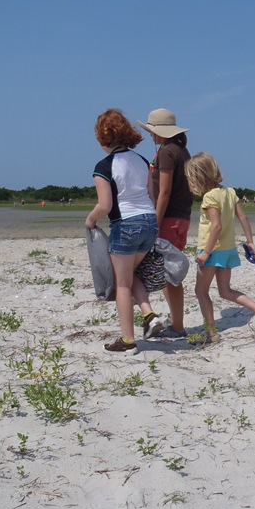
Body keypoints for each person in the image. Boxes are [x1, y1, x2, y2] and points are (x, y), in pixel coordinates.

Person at [86, 108, 164, 353]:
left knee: (121, 283)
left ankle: (128, 341)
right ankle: (149, 314)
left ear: (102, 137)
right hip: (149, 222)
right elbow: (152, 197)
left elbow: (105, 205)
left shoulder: (104, 166)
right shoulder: (141, 161)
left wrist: (90, 221)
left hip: (126, 225)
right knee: (130, 275)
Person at [184, 152, 255, 343]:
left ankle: (211, 332)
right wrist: (250, 241)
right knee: (225, 290)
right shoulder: (230, 192)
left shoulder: (209, 197)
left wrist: (205, 252)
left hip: (211, 251)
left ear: (199, 177)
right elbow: (243, 217)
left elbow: (216, 226)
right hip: (227, 251)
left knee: (201, 291)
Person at [137, 109, 192, 339]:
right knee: (168, 273)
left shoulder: (168, 152)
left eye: (152, 131)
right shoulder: (180, 150)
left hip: (168, 218)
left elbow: (165, 192)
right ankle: (176, 321)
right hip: (180, 217)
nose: (151, 135)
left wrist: (155, 223)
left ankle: (178, 326)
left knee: (170, 275)